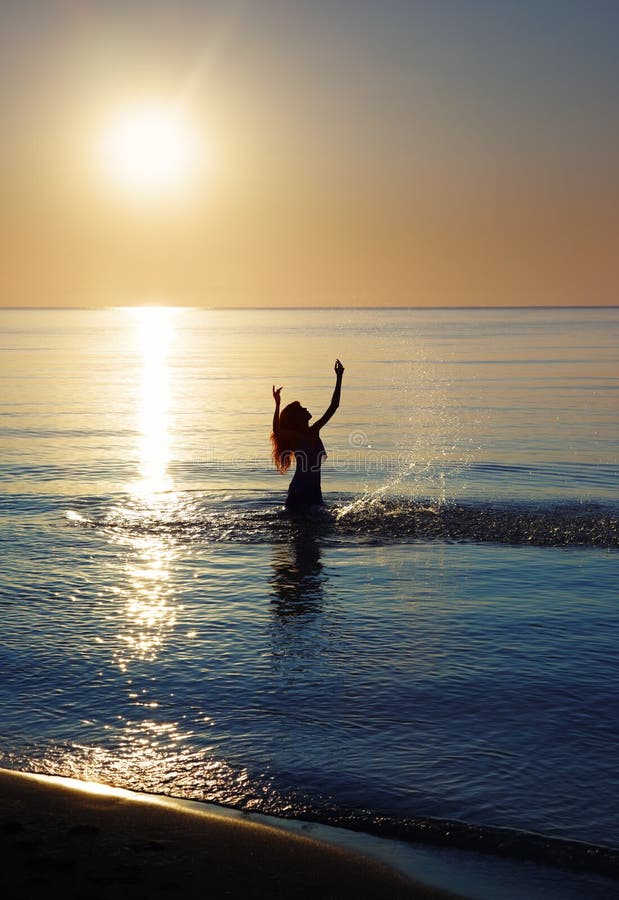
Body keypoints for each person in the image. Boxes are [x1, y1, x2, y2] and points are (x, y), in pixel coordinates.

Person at [271, 359, 344, 509]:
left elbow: (334, 406)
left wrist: (339, 377)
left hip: (315, 492)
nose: (305, 409)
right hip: (300, 491)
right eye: (301, 409)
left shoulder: (314, 430)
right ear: (296, 418)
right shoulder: (296, 437)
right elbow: (277, 430)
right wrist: (277, 404)